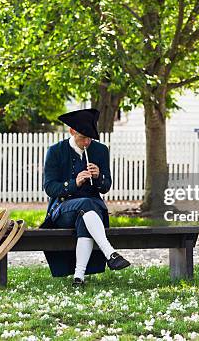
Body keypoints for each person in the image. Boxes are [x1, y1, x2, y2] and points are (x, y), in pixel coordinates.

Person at [39, 108, 131, 286]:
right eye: (83, 137)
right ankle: (110, 252)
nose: (87, 142)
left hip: (92, 210)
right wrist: (74, 183)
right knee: (86, 204)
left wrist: (98, 177)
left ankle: (78, 277)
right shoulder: (55, 151)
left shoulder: (101, 150)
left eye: (90, 138)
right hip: (63, 209)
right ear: (72, 131)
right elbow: (50, 188)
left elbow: (105, 187)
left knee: (86, 215)